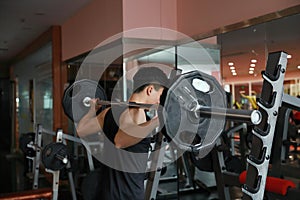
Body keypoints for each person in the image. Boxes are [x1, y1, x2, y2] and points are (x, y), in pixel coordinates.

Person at [76, 67, 168, 200]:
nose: (159, 101)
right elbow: (120, 141)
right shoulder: (137, 113)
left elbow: (81, 130)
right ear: (149, 90)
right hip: (128, 194)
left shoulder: (109, 111)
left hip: (107, 192)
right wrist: (157, 121)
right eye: (159, 95)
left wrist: (92, 110)